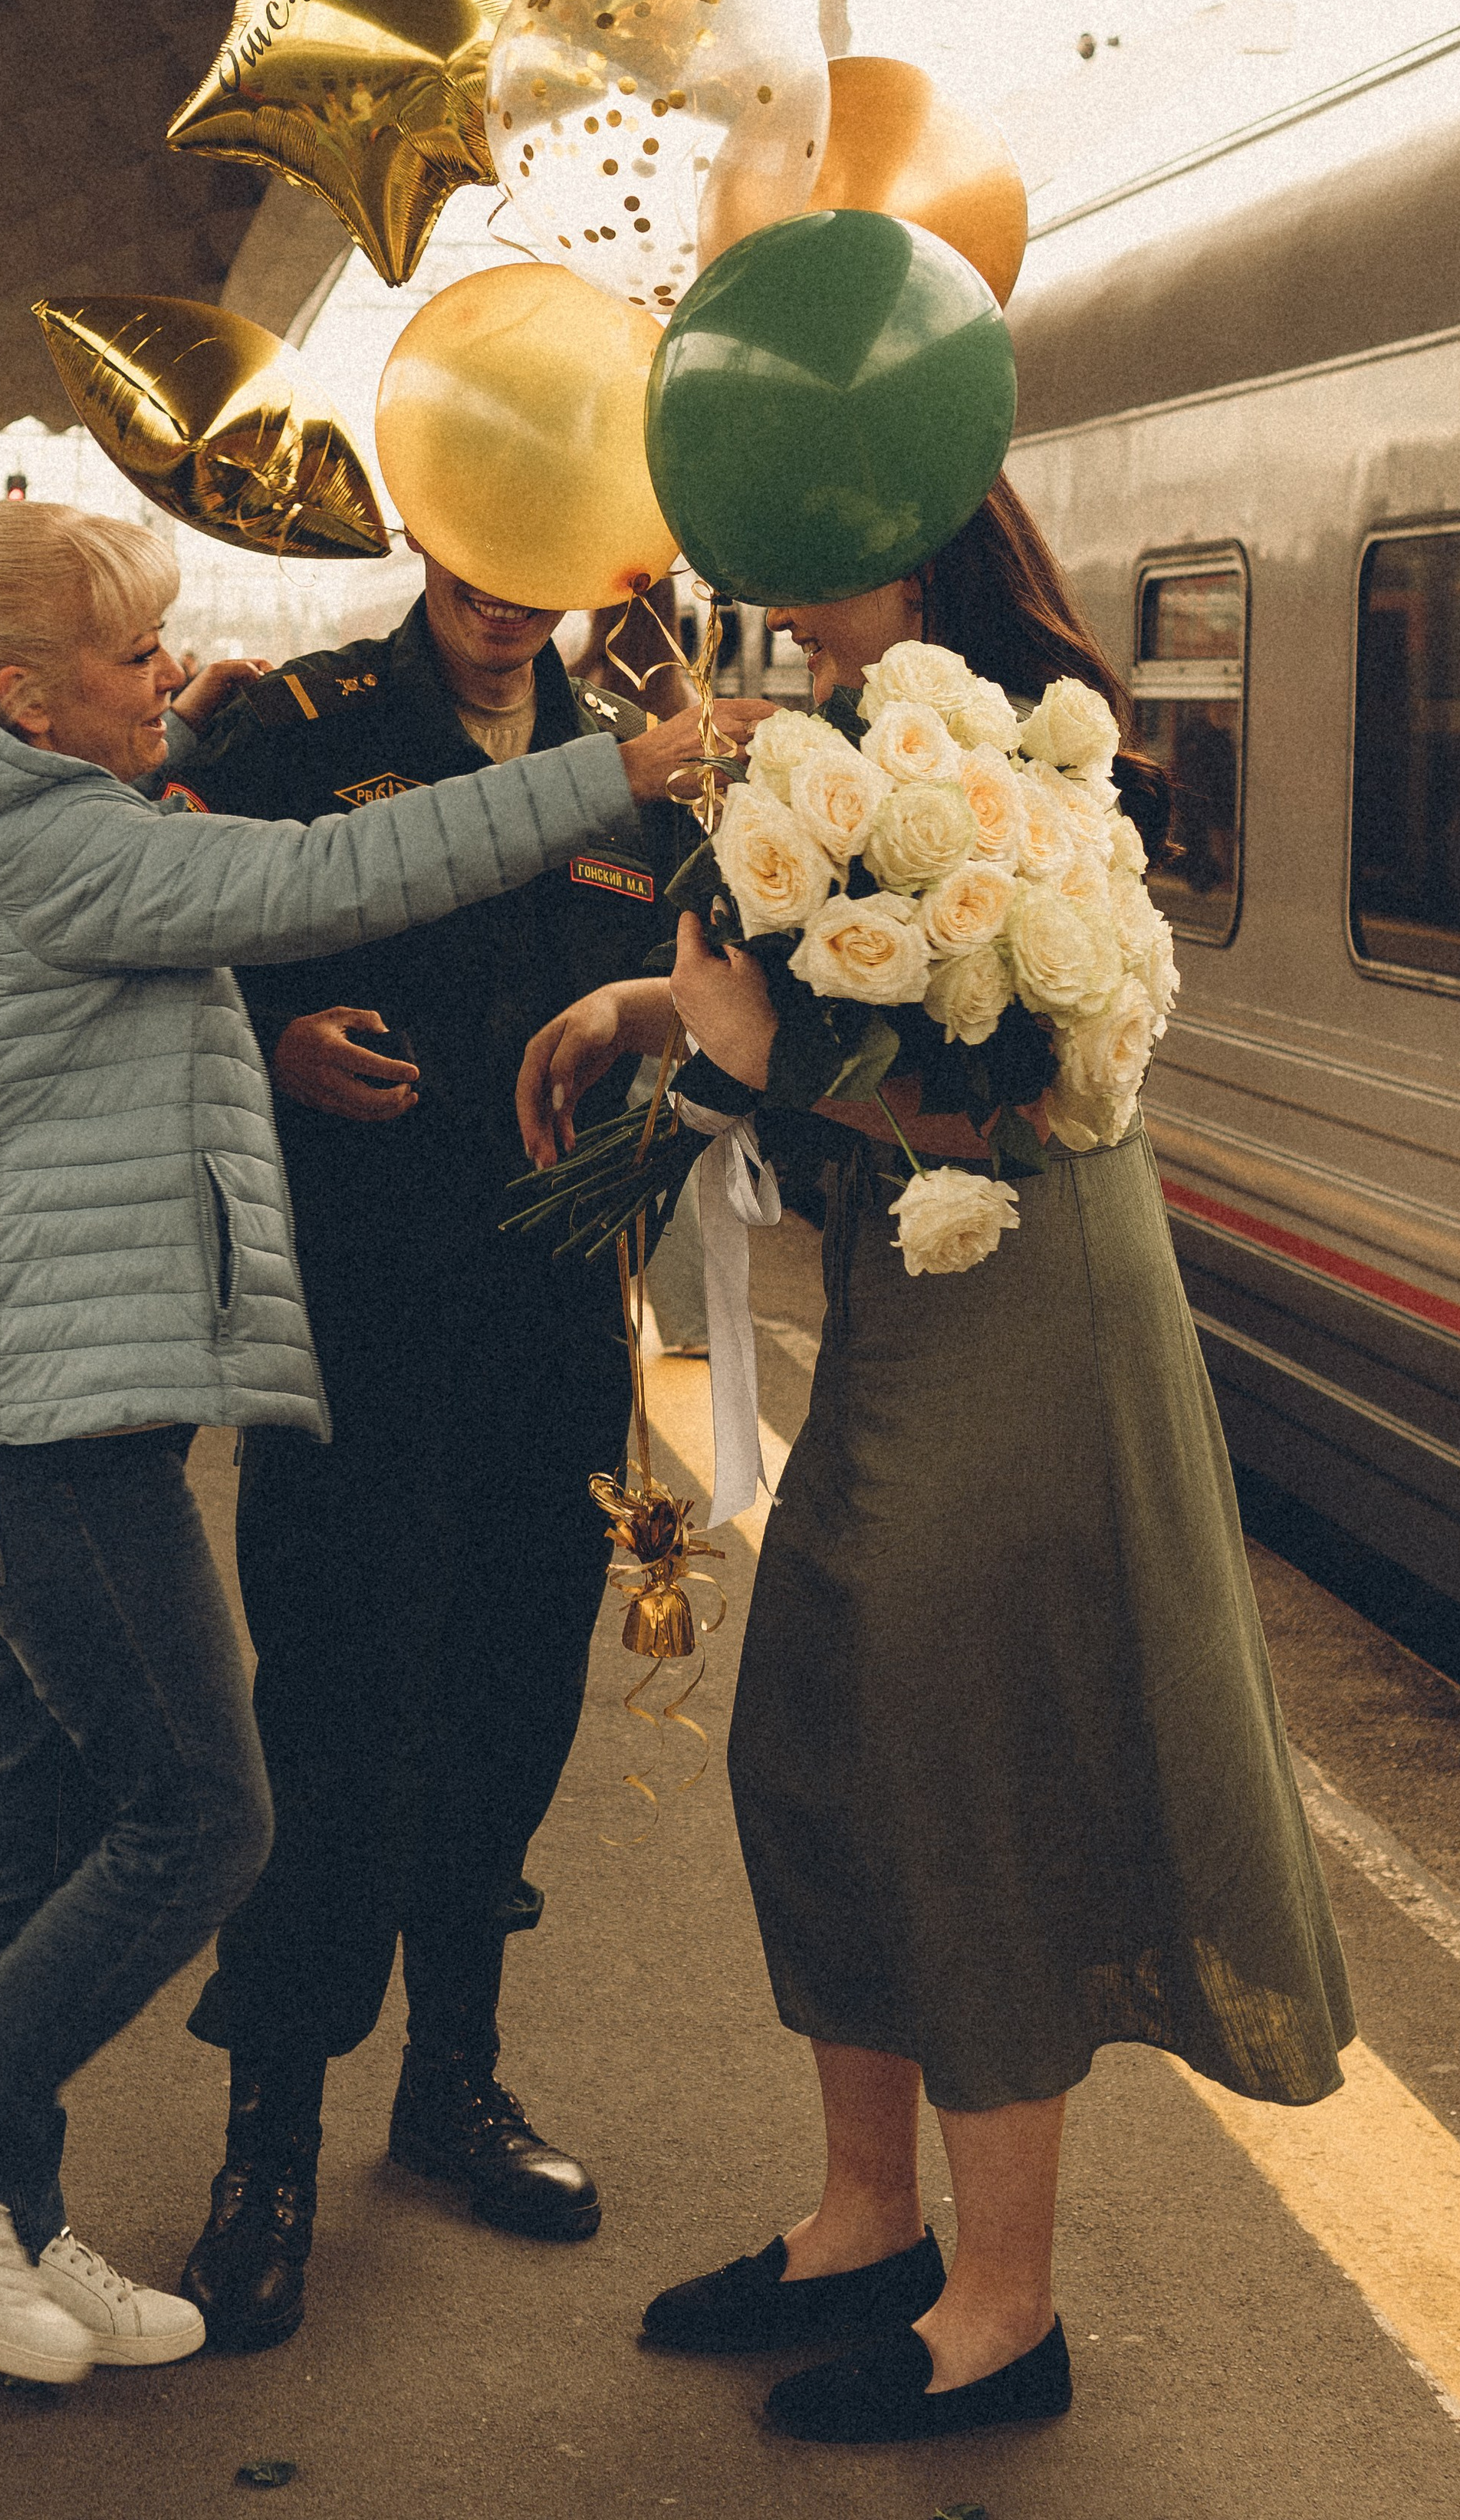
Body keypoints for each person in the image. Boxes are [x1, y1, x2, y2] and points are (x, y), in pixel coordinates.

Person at [0, 500, 735, 2390]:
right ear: (29, 692)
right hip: (159, 1375)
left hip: (399, 1335)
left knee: (70, 1805)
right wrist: (598, 774)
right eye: (139, 659)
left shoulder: (13, 798)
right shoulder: (94, 814)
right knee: (231, 1796)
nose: (179, 676)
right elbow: (316, 887)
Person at [516, 477, 1353, 2446]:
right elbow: (818, 1011)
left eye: (804, 580)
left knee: (955, 1763)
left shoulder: (1010, 753)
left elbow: (996, 1109)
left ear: (906, 542)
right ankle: (863, 2220)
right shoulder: (841, 732)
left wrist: (733, 1062)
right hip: (902, 1315)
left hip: (1017, 1303)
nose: (770, 619)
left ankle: (1000, 2306)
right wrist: (659, 1000)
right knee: (811, 1732)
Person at [166, 554, 770, 2351]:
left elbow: (699, 998)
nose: (504, 593)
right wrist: (264, 1040)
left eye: (542, 557)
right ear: (429, 525)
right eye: (477, 549)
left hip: (545, 1313)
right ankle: (267, 2131)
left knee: (508, 1687)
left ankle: (450, 2082)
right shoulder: (296, 727)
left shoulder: (638, 768)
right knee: (339, 1701)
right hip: (350, 1306)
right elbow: (144, 943)